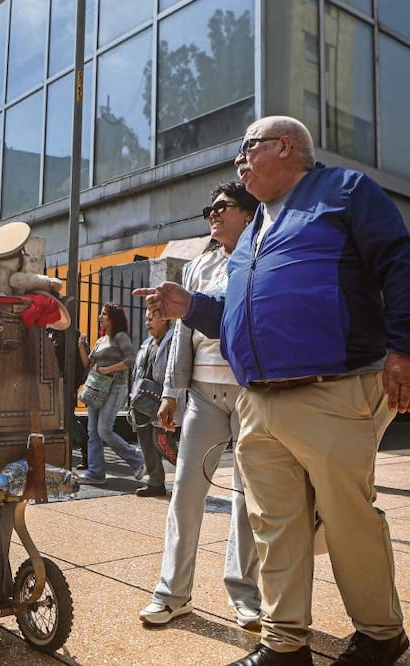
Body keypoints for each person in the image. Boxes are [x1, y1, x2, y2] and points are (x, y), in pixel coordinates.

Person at [135, 116, 410, 666]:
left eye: (246, 149)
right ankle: (284, 644)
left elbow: (401, 262)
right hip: (258, 401)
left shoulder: (344, 192)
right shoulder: (253, 230)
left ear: (285, 146)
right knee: (273, 527)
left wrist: (409, 349)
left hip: (334, 388)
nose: (238, 163)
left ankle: (380, 635)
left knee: (347, 520)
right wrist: (189, 306)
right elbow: (237, 315)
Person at [139, 181, 262, 631]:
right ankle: (172, 594)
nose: (213, 213)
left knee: (250, 499)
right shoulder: (196, 267)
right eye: (209, 207)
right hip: (204, 398)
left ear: (247, 214)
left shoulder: (262, 256)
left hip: (253, 394)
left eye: (222, 206)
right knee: (186, 493)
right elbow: (180, 335)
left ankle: (246, 595)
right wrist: (171, 392)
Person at [77, 302, 145, 485]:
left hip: (115, 387)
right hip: (96, 389)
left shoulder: (120, 337)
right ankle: (95, 473)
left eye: (104, 314)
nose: (100, 317)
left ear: (113, 318)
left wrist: (109, 369)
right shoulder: (100, 341)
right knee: (93, 431)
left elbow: (131, 359)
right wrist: (81, 346)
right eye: (100, 314)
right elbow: (89, 364)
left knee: (104, 430)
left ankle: (138, 460)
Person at [129, 310, 175, 497]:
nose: (147, 322)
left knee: (162, 443)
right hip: (142, 402)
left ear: (164, 318)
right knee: (146, 443)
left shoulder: (173, 342)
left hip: (162, 401)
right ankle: (156, 483)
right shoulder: (146, 343)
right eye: (146, 319)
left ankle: (190, 474)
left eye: (150, 318)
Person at [48, 327, 89, 467]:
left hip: (66, 383)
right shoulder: (49, 331)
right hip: (49, 383)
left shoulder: (73, 334)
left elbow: (83, 364)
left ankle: (87, 454)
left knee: (68, 420)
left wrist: (74, 385)